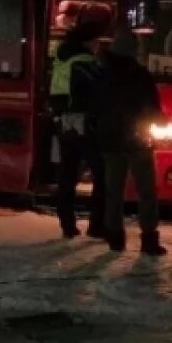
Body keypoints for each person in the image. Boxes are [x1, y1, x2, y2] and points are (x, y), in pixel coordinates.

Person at [95, 28, 166, 256]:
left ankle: (115, 237)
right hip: (138, 140)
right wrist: (157, 123)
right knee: (146, 191)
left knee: (113, 191)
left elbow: (95, 108)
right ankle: (148, 239)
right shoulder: (140, 75)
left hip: (111, 141)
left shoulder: (103, 74)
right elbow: (152, 106)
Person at [50, 17, 107, 238]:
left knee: (67, 174)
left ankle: (67, 225)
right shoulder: (85, 61)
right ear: (88, 41)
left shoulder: (61, 58)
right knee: (101, 174)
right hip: (86, 122)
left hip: (65, 121)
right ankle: (96, 225)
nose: (99, 45)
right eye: (97, 41)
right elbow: (99, 93)